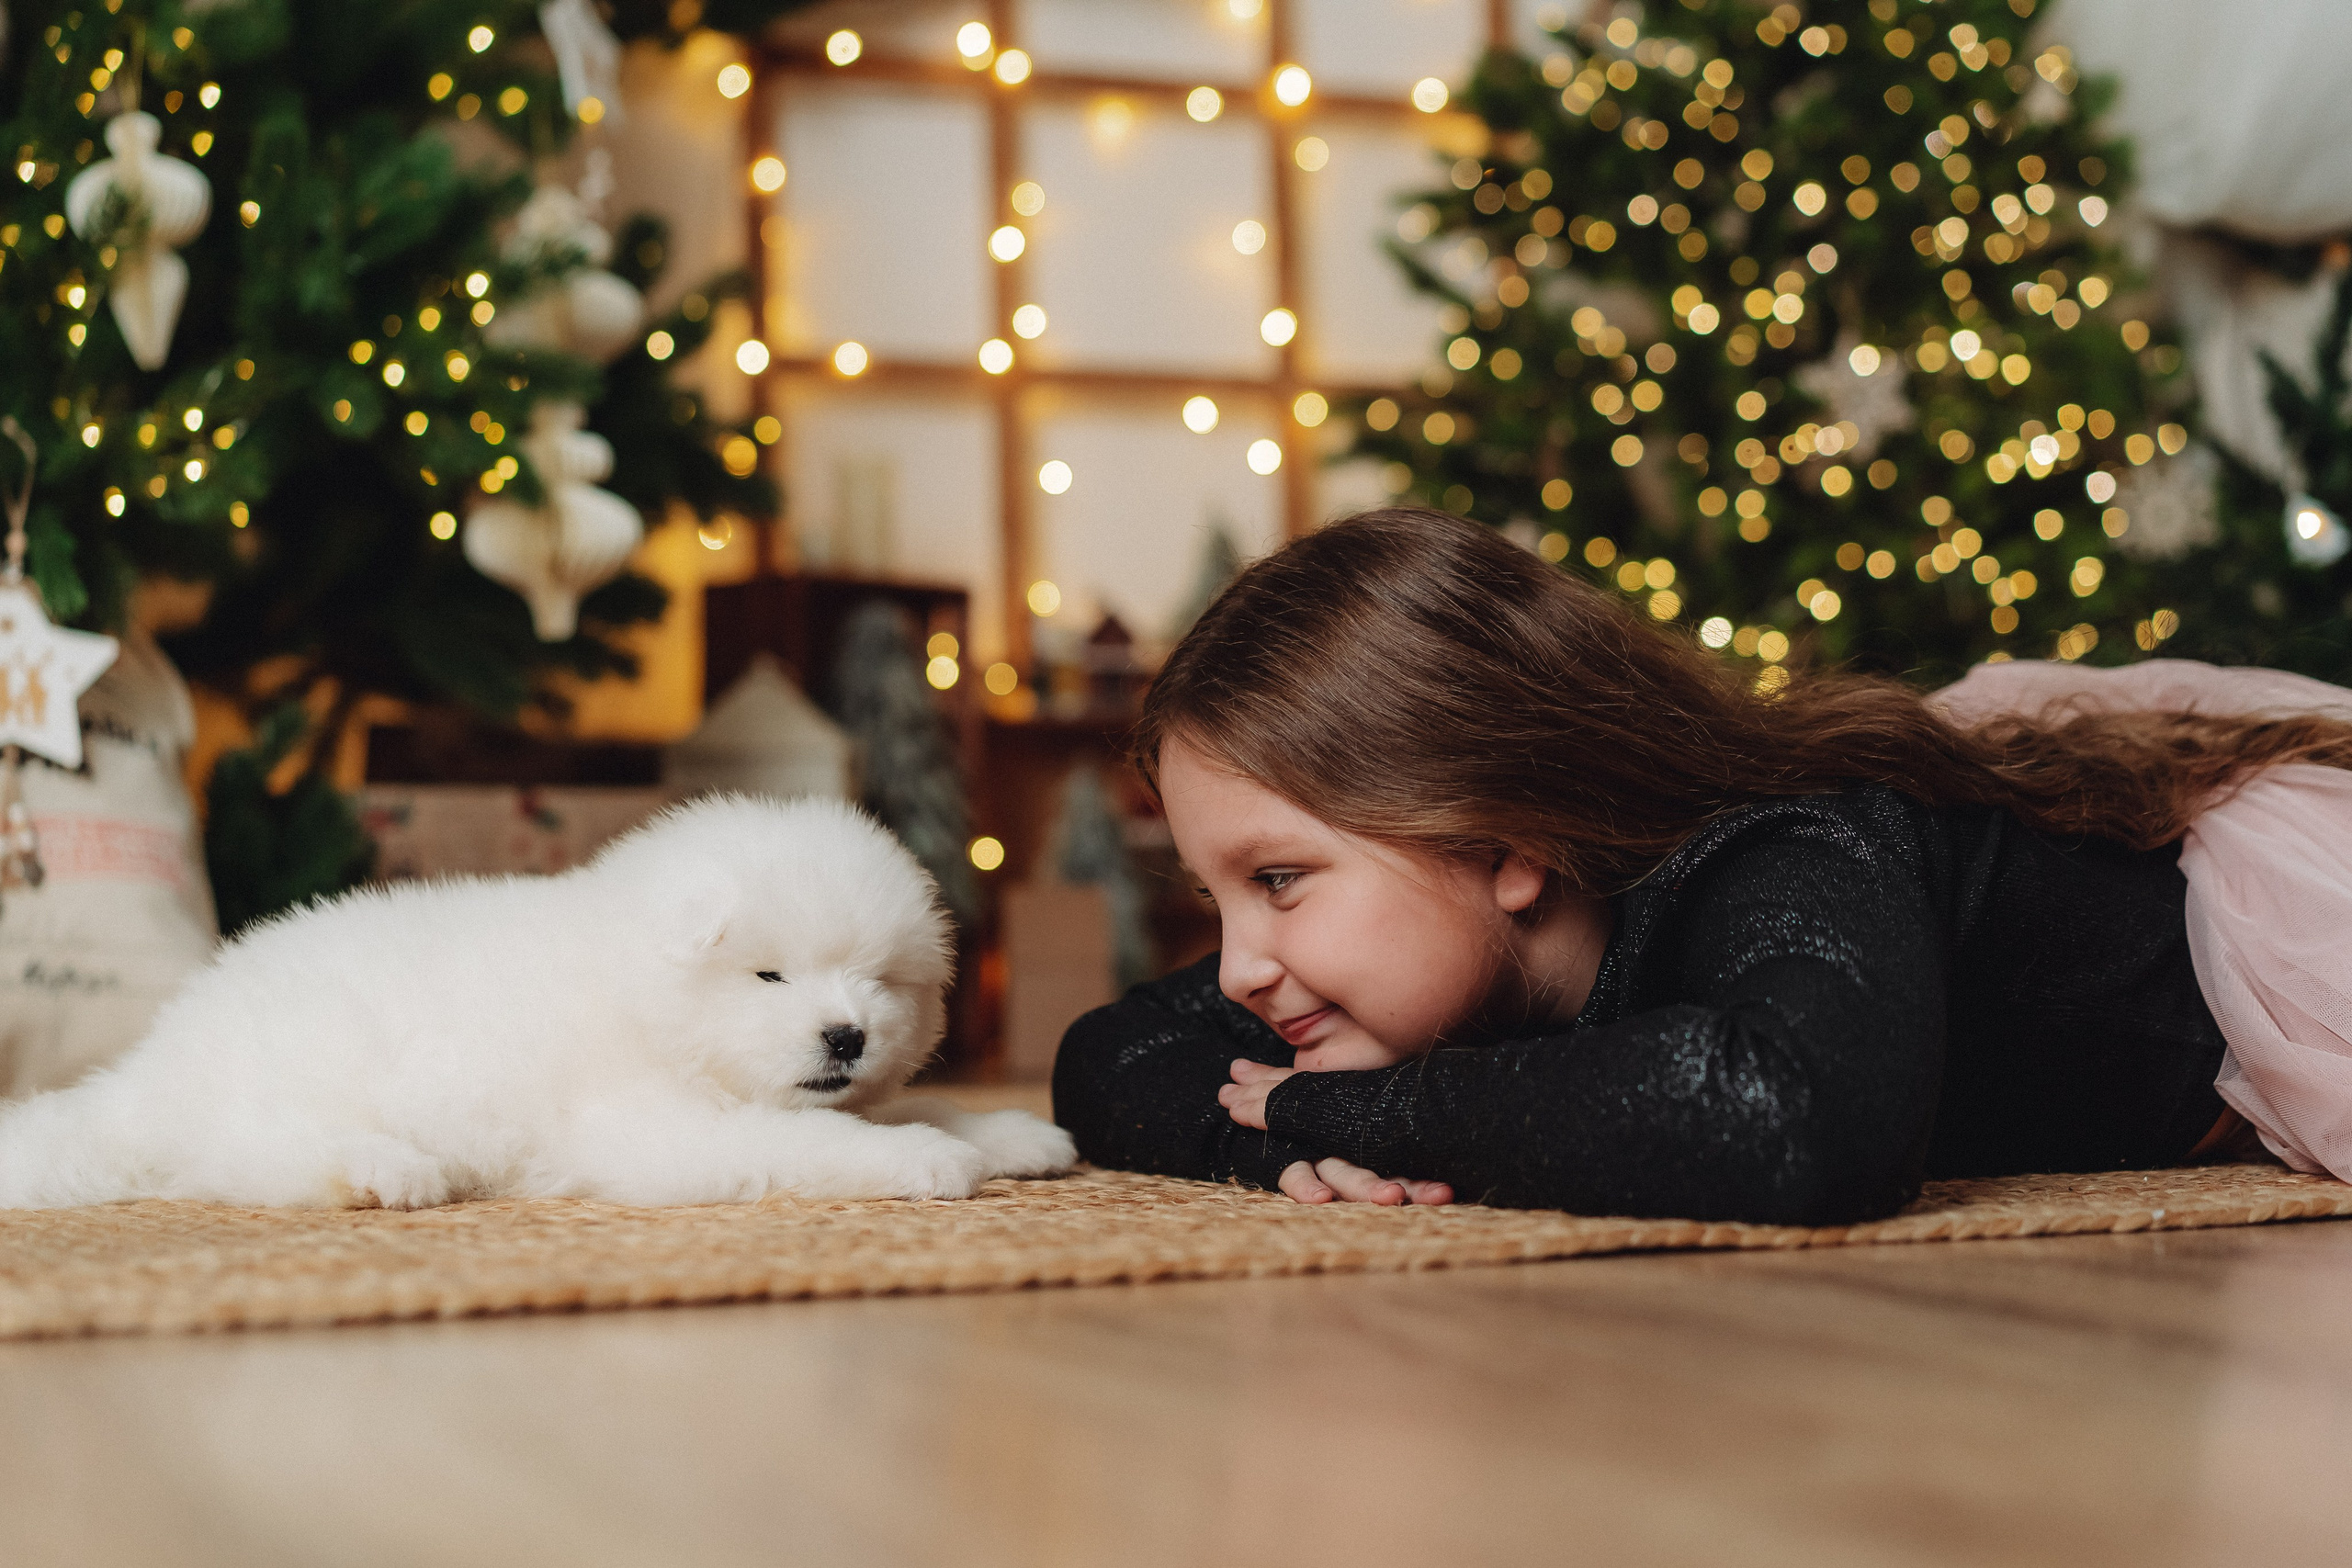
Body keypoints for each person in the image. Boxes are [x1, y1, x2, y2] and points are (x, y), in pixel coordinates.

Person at [1049, 509, 2352, 1225]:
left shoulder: (1796, 840)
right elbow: (1107, 1051)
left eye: (1279, 881)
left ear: (1506, 844)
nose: (1239, 966)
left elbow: (1802, 1123)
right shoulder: (1374, 963)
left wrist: (1331, 1111)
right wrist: (1259, 1148)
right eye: (1217, 896)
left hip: (2276, 959)